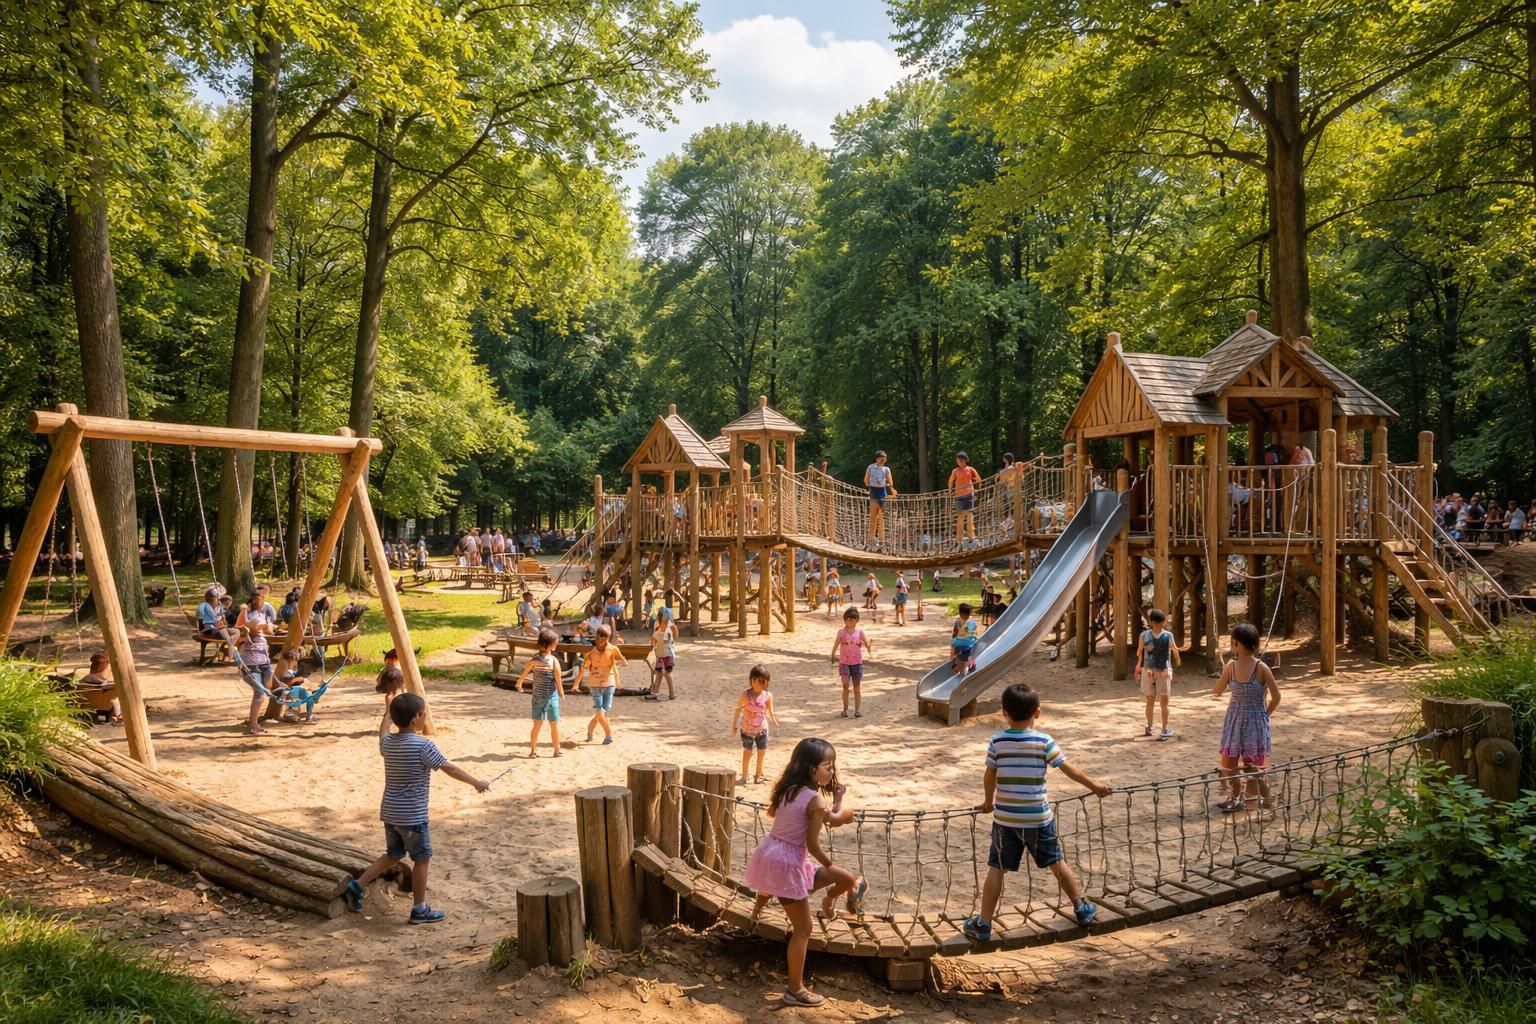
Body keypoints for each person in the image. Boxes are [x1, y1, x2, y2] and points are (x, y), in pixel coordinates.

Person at [961, 683, 1113, 942]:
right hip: (1038, 819)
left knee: (996, 869)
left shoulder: (997, 741)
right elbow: (1068, 768)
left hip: (1006, 819)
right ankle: (1081, 908)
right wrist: (1095, 785)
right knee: (1057, 862)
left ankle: (984, 923)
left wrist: (988, 802)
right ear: (1038, 713)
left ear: (1003, 712)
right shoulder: (1044, 741)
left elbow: (990, 775)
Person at [343, 692, 489, 923]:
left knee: (393, 854)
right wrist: (476, 783)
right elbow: (448, 768)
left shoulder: (389, 744)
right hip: (412, 815)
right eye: (424, 714)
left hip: (390, 812)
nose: (426, 717)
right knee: (422, 858)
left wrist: (386, 716)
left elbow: (383, 733)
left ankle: (357, 885)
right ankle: (419, 908)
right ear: (415, 719)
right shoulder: (423, 746)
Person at [744, 738, 864, 1008]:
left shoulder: (788, 789)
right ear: (812, 769)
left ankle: (824, 902)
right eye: (828, 767)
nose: (832, 772)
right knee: (804, 929)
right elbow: (816, 839)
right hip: (789, 864)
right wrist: (845, 815)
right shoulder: (815, 800)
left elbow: (781, 814)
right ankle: (795, 990)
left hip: (770, 853)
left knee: (846, 879)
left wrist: (838, 798)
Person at [1212, 622, 1281, 813]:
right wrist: (1265, 715)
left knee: (1230, 763)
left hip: (1235, 720)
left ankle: (1235, 798)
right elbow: (1276, 697)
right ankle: (1254, 800)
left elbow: (1217, 690)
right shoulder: (1262, 667)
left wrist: (1221, 678)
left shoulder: (1230, 667)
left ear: (1235, 644)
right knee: (1253, 764)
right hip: (1256, 721)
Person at [515, 627, 567, 757]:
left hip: (537, 696)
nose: (556, 644)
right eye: (555, 642)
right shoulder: (553, 660)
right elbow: (558, 677)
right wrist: (561, 692)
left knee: (537, 724)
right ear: (548, 645)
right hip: (550, 697)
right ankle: (556, 750)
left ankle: (533, 750)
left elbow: (526, 670)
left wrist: (519, 682)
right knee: (554, 724)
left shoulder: (535, 659)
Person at [576, 625, 628, 745]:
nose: (600, 642)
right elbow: (584, 668)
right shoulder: (591, 653)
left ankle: (590, 731)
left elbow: (622, 659)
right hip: (595, 684)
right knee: (600, 711)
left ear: (608, 639)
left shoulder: (613, 649)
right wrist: (576, 684)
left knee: (603, 712)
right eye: (598, 638)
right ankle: (608, 736)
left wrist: (623, 662)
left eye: (603, 639)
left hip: (609, 684)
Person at [1134, 609, 1179, 739]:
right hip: (1164, 671)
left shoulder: (1144, 635)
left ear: (1151, 622)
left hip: (1147, 670)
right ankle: (1164, 729)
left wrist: (1138, 665)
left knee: (1150, 701)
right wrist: (1177, 658)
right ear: (1164, 622)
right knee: (1164, 702)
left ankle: (1149, 727)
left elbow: (1140, 652)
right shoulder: (1168, 635)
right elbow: (1174, 650)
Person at [731, 664, 780, 785]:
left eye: (762, 682)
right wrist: (734, 725)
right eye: (757, 681)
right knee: (747, 752)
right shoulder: (745, 695)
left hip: (762, 729)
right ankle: (745, 775)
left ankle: (758, 774)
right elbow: (738, 709)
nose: (759, 685)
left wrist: (774, 719)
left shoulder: (768, 696)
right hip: (747, 729)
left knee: (761, 751)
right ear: (751, 680)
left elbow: (770, 710)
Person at [235, 624, 275, 736]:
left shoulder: (263, 637)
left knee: (268, 688)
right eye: (257, 627)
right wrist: (246, 630)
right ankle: (253, 725)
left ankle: (254, 722)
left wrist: (268, 626)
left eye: (260, 628)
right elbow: (240, 633)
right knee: (259, 694)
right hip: (250, 668)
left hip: (265, 666)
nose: (259, 630)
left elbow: (270, 630)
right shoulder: (246, 638)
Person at [830, 608, 870, 719]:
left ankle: (857, 710)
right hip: (844, 663)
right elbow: (836, 644)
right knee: (845, 686)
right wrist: (833, 655)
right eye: (847, 619)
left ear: (857, 620)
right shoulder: (841, 632)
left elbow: (866, 643)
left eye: (852, 619)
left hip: (857, 663)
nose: (849, 621)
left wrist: (869, 647)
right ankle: (845, 709)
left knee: (857, 688)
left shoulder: (860, 632)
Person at [76, 651, 121, 724]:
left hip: (88, 708)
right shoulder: (113, 684)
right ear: (107, 666)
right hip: (107, 707)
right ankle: (115, 716)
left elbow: (78, 698)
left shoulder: (82, 683)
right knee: (115, 700)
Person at [948, 452, 981, 548]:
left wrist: (977, 489)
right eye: (958, 460)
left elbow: (978, 479)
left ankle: (971, 538)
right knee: (960, 518)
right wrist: (950, 492)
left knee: (970, 517)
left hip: (969, 495)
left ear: (965, 460)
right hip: (959, 496)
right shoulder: (955, 471)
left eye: (961, 460)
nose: (959, 462)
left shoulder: (970, 469)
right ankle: (959, 540)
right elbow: (950, 482)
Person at [864, 451, 895, 549]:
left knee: (881, 518)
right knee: (873, 517)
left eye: (884, 457)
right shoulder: (871, 467)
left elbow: (891, 482)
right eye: (881, 457)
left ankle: (882, 541)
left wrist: (887, 485)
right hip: (873, 492)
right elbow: (866, 480)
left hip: (882, 493)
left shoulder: (886, 469)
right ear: (877, 458)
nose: (883, 459)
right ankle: (870, 540)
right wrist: (870, 486)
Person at [646, 607, 678, 701]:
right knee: (659, 673)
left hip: (667, 654)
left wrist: (656, 638)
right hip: (660, 655)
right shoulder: (659, 630)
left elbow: (665, 642)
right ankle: (655, 692)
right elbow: (653, 642)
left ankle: (671, 693)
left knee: (666, 673)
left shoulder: (667, 630)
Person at [951, 602, 979, 675]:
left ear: (960, 613)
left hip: (961, 645)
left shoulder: (958, 622)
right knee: (969, 653)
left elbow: (955, 634)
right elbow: (975, 633)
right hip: (971, 644)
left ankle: (956, 667)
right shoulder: (972, 622)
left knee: (959, 655)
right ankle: (970, 662)